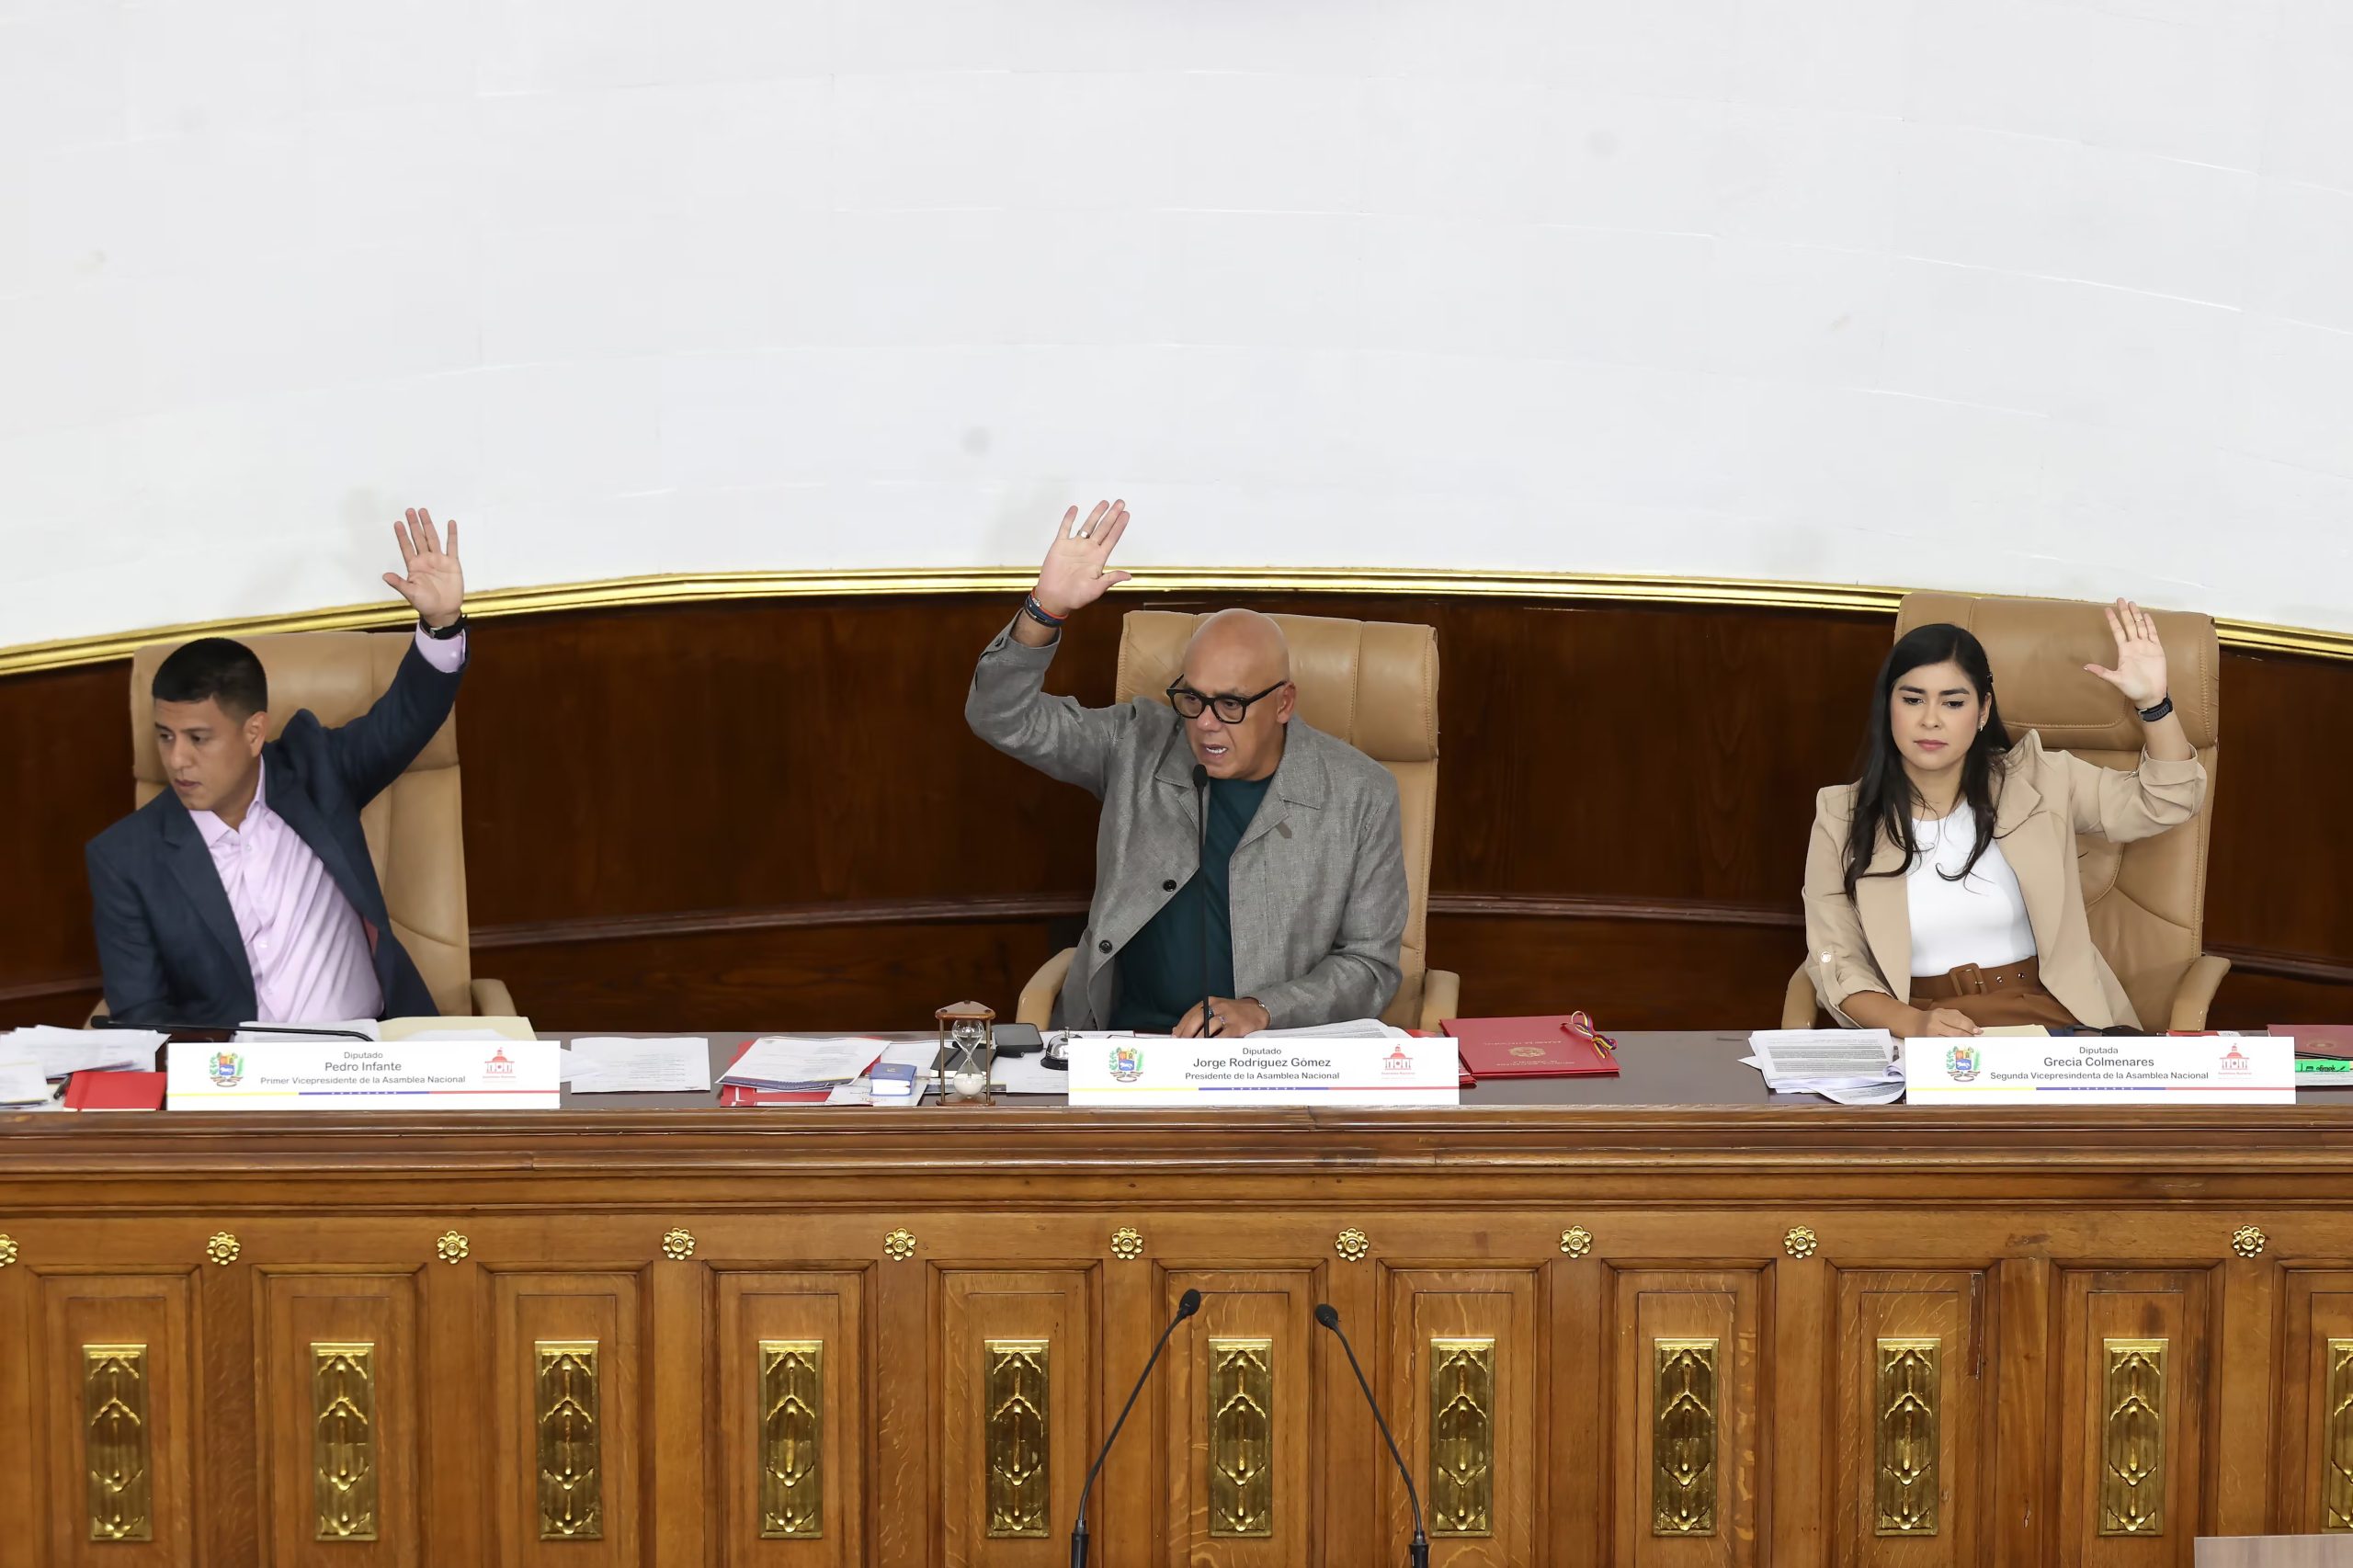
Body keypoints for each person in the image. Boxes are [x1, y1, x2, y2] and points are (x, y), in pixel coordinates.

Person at [966, 501, 1409, 1036]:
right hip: (1123, 1044)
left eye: (1231, 704)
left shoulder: (1360, 793)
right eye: (1193, 699)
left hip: (1269, 1056)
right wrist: (1045, 610)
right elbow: (1001, 717)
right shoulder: (1136, 743)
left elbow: (1370, 965)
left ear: (1284, 703)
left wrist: (1265, 1009)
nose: (1205, 724)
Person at [85, 510, 473, 1026]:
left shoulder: (317, 772)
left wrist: (442, 625)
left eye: (199, 739)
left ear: (253, 733)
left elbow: (405, 718)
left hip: (370, 1053)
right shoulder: (126, 859)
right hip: (237, 1071)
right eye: (165, 736)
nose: (177, 759)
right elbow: (141, 1017)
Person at [1802, 599, 2206, 1036]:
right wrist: (1913, 1024)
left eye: (1953, 703)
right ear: (1888, 706)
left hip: (2048, 1019)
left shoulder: (2039, 780)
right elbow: (1836, 960)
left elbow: (2168, 800)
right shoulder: (1840, 817)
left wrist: (2153, 704)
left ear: (1982, 711)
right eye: (1913, 699)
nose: (1930, 720)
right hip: (1925, 1028)